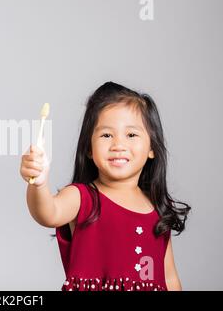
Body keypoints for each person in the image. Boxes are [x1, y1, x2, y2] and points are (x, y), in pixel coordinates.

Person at [20, 82, 190, 291]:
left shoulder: (157, 207)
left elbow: (169, 278)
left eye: (131, 135)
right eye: (106, 135)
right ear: (89, 148)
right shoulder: (82, 197)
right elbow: (48, 213)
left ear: (152, 148)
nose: (118, 145)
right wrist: (39, 183)